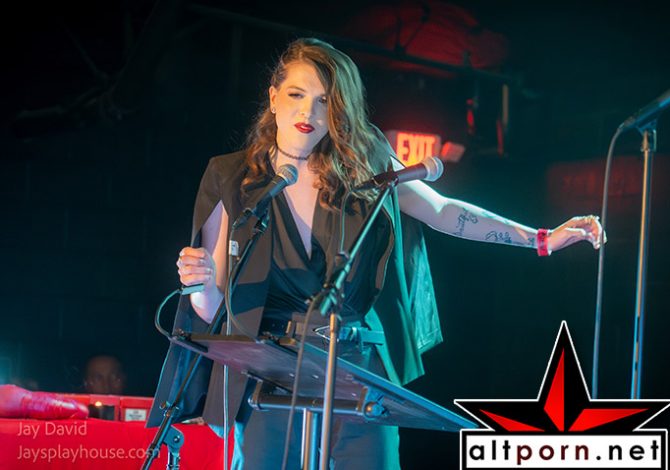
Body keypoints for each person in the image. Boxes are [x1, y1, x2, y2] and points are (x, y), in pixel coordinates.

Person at [148, 38, 604, 469]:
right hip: (272, 367)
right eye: (296, 95)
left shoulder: (363, 164)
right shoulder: (231, 176)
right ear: (273, 98)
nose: (308, 111)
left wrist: (540, 238)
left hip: (356, 360)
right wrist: (198, 283)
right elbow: (212, 306)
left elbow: (442, 210)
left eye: (324, 100)